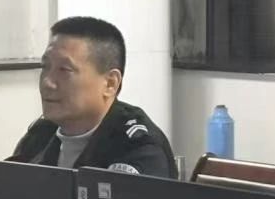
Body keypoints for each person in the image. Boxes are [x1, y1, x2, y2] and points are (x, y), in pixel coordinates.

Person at [10, 16, 176, 177]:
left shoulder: (137, 148)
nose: (47, 82)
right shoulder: (41, 135)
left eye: (64, 70)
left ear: (110, 83)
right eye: (45, 66)